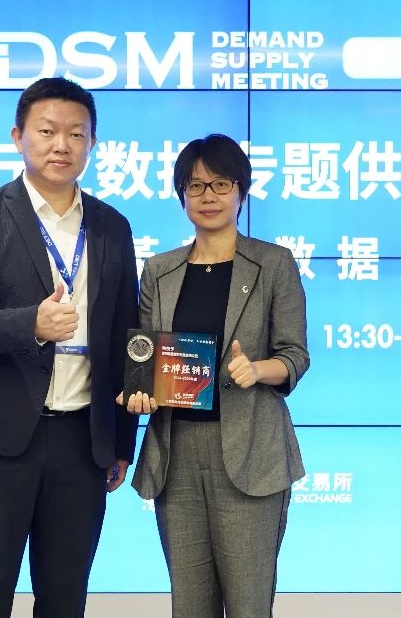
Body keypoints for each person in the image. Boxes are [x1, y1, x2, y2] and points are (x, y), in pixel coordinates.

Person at [0, 77, 139, 618]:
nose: (62, 145)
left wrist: (121, 439)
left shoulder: (111, 227)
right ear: (18, 136)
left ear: (92, 143)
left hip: (83, 440)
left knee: (65, 597)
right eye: (48, 131)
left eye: (76, 134)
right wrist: (32, 323)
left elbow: (126, 335)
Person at [119, 133, 310, 618]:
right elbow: (146, 358)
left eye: (221, 184)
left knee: (248, 606)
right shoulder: (159, 270)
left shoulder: (273, 263)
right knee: (189, 605)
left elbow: (294, 355)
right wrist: (138, 394)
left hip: (251, 451)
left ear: (241, 191)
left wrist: (258, 369)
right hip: (176, 453)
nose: (208, 196)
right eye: (195, 185)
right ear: (181, 195)